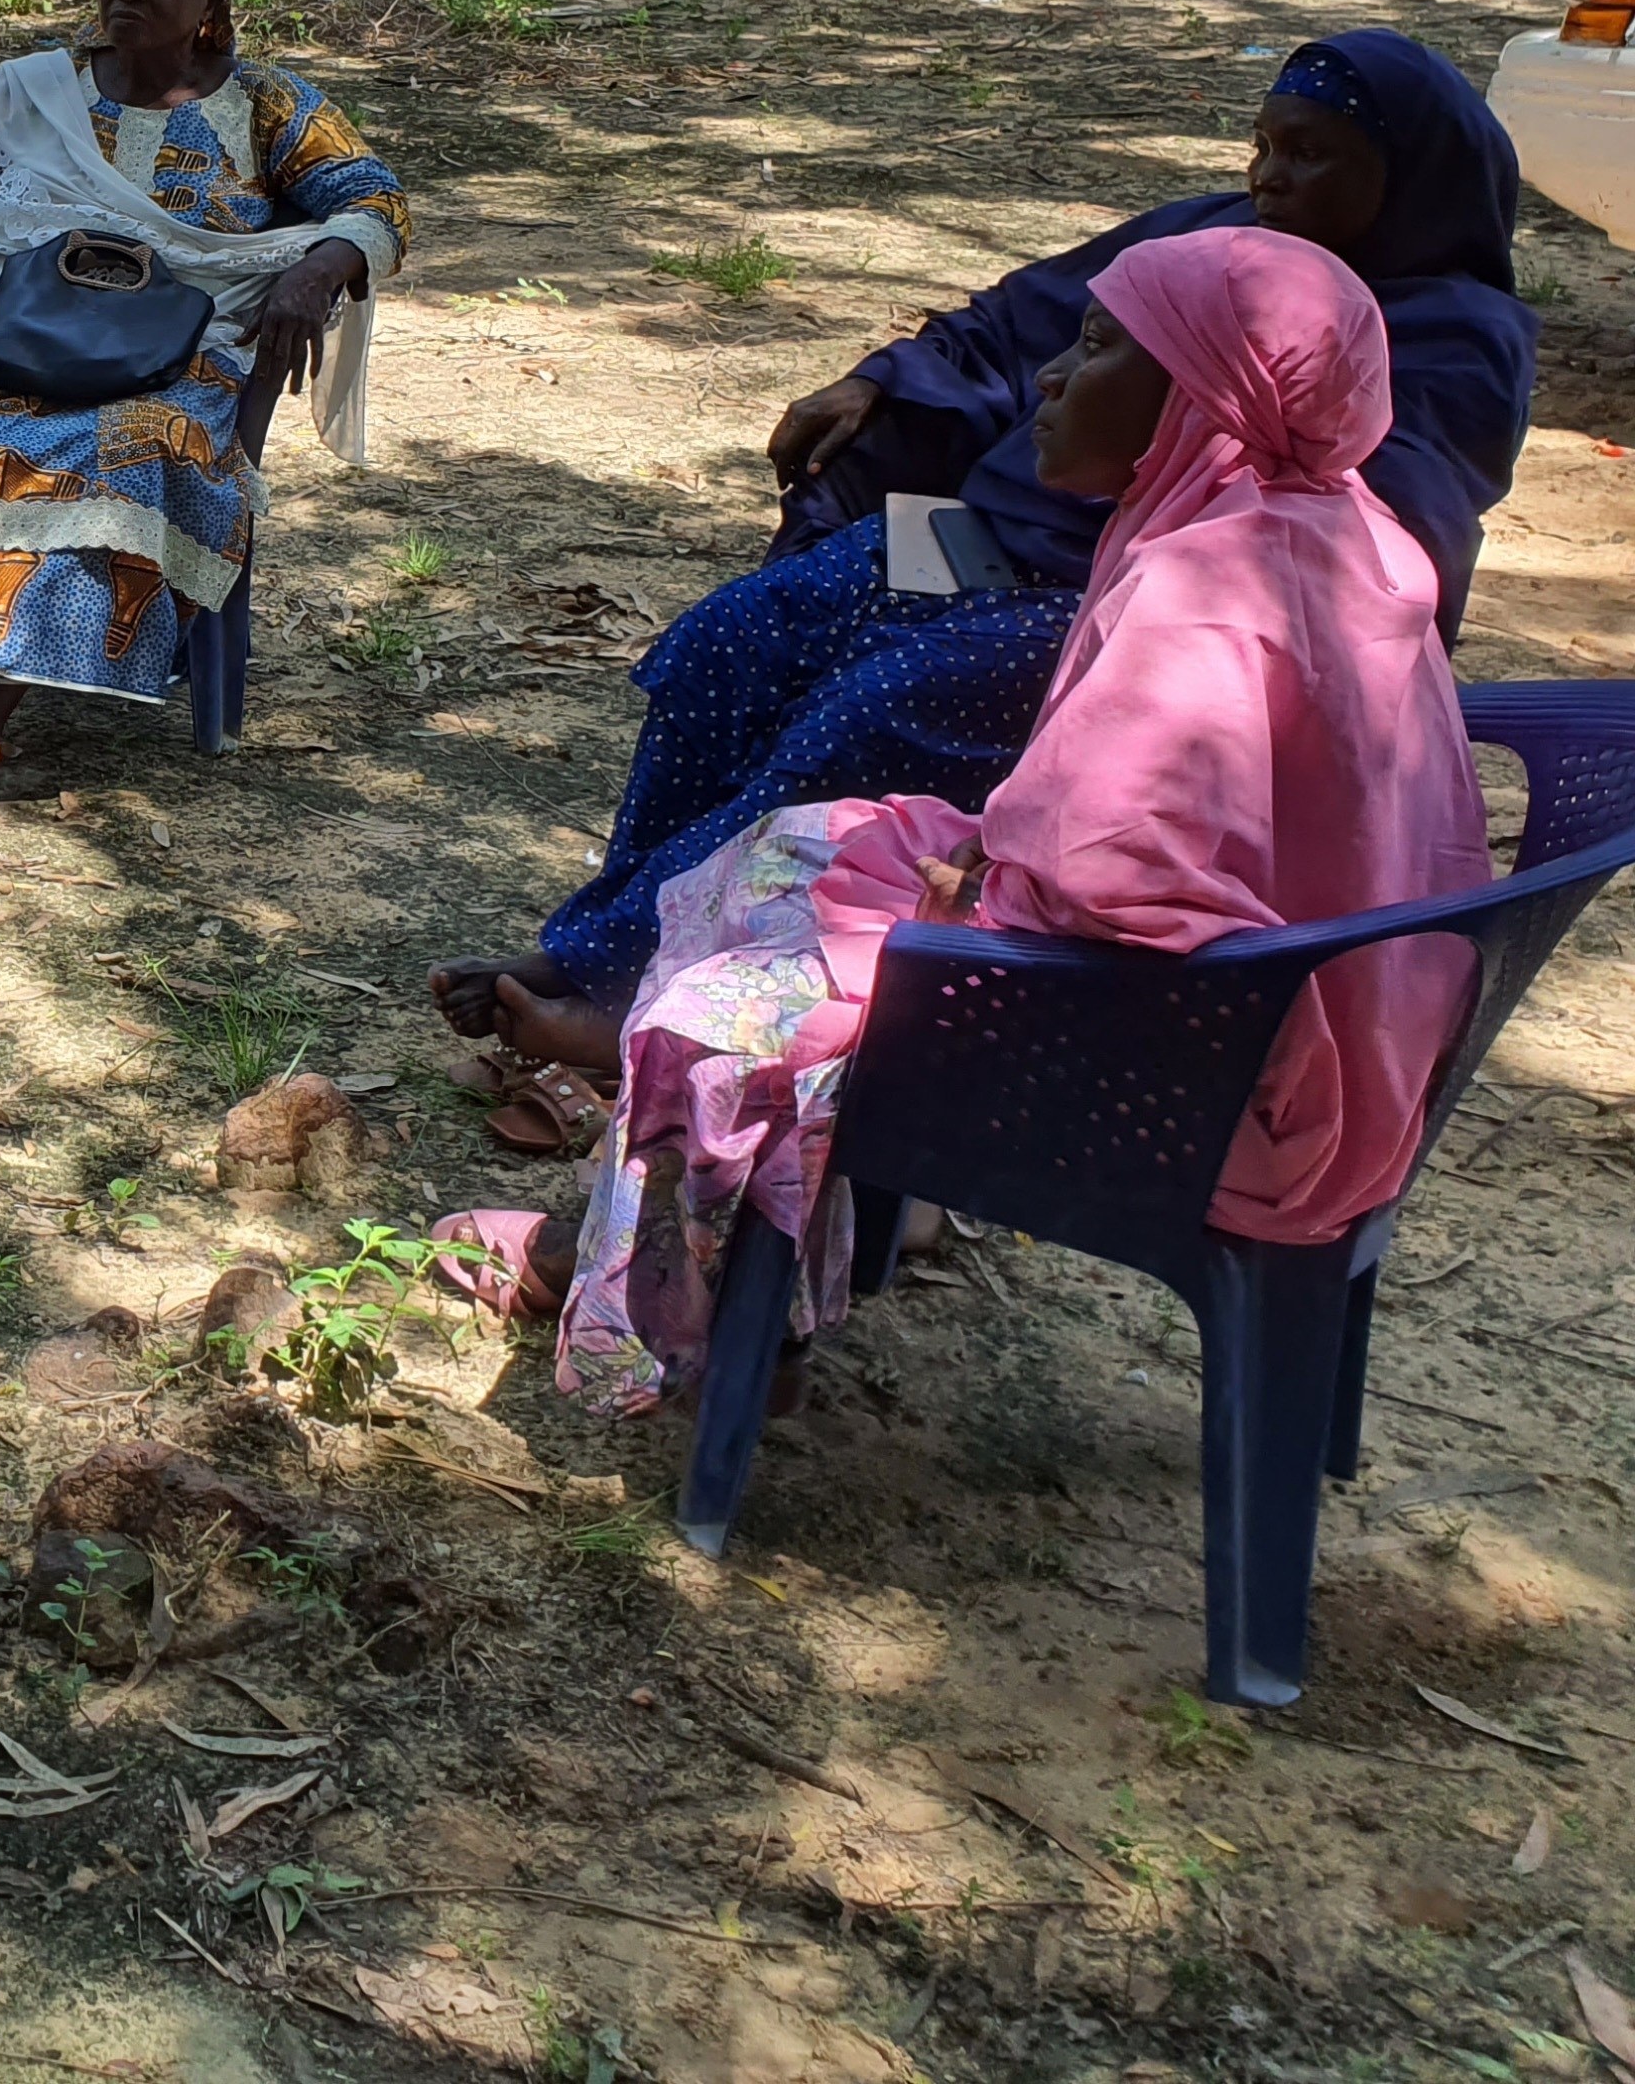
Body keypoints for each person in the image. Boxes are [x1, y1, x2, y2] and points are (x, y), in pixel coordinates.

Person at [429, 226, 1488, 1415]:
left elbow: (1112, 875)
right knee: (797, 851)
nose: (1048, 376)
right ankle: (731, 1251)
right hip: (1315, 1028)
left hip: (1189, 1070)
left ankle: (676, 1310)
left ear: (1203, 398)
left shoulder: (1200, 598)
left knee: (729, 1005)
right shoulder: (1339, 533)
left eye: (1092, 351)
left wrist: (957, 882)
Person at [434, 28, 1533, 1084]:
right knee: (738, 637)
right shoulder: (1204, 240)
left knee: (871, 715)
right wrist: (885, 383)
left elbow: (1358, 543)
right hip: (989, 538)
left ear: (1406, 175)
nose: (1271, 177)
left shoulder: (1443, 337)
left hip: (1128, 608)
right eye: (1261, 145)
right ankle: (610, 928)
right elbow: (1022, 334)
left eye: (1309, 156)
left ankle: (636, 975)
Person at [0, 0, 407, 869]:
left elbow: (373, 201)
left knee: (128, 453)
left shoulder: (266, 103)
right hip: (17, 336)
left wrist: (313, 271)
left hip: (185, 352)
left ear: (212, 0)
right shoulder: (41, 86)